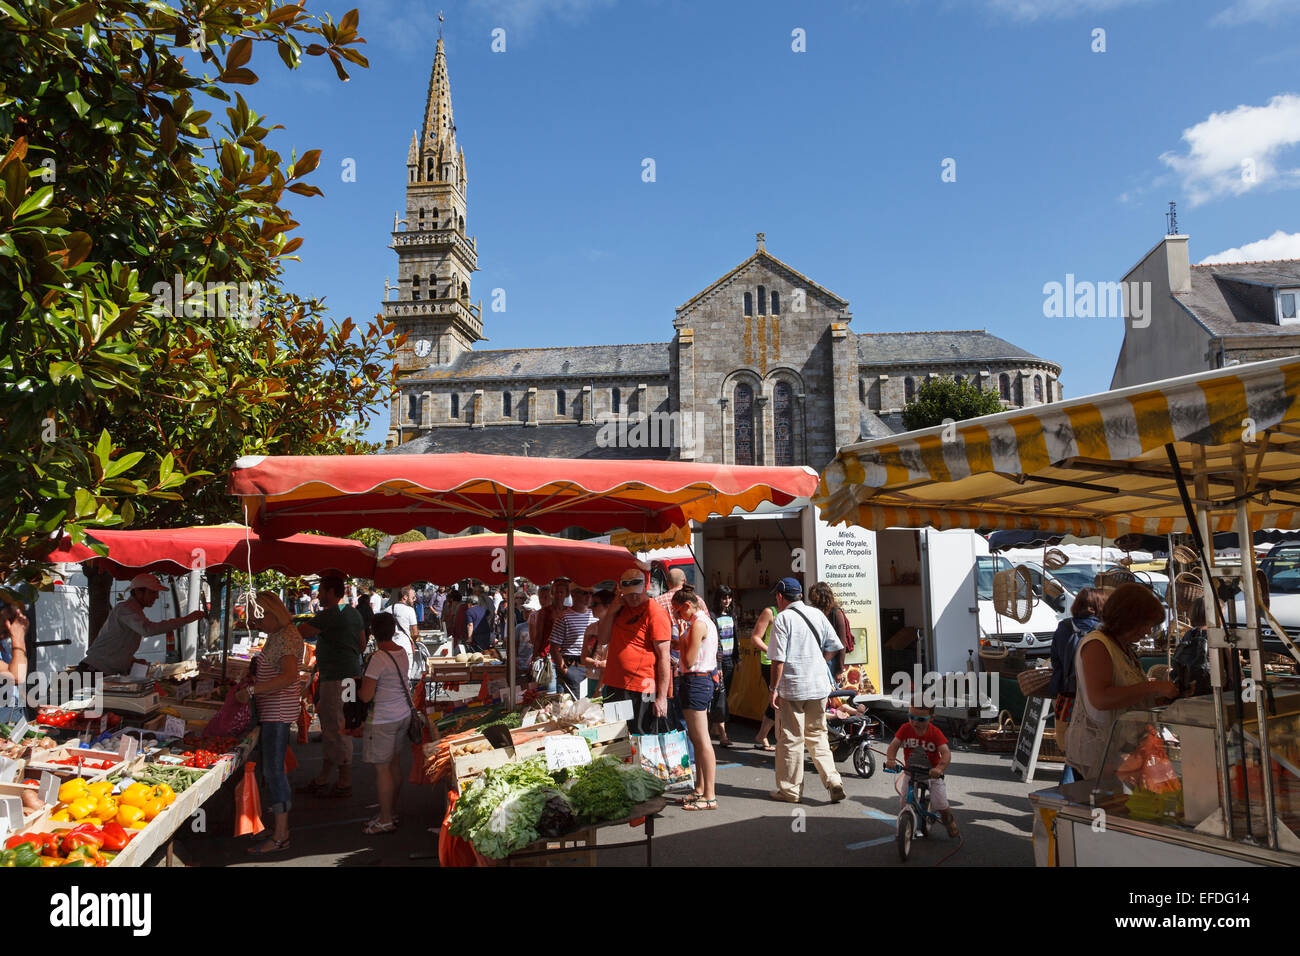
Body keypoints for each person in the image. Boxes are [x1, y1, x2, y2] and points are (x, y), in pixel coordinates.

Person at [1065, 582, 1179, 780]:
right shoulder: (1097, 644)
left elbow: (1128, 695)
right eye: (1146, 625)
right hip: (1099, 753)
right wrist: (1152, 687)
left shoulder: (1123, 646)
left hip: (1121, 750)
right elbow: (1101, 699)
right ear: (1128, 618)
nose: (1147, 632)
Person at [766, 577, 846, 804]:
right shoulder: (817, 614)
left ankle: (790, 791)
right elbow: (835, 645)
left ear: (781, 597)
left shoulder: (783, 619)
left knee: (791, 739)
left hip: (793, 688)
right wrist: (820, 661)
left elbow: (778, 661)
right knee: (818, 735)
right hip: (818, 686)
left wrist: (773, 688)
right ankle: (833, 780)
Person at [237, 592, 305, 854]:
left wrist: (254, 691)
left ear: (272, 613)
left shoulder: (286, 638)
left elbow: (289, 676)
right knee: (274, 770)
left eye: (258, 619)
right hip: (275, 712)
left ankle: (280, 836)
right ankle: (277, 829)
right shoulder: (281, 635)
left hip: (277, 713)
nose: (256, 625)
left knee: (274, 772)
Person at [296, 575, 363, 798]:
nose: (318, 595)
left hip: (337, 679)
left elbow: (302, 631)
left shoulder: (332, 614)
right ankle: (325, 776)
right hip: (350, 676)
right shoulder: (354, 613)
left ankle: (344, 781)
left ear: (332, 592)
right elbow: (362, 644)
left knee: (337, 726)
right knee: (337, 725)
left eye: (322, 591)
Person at [594, 566, 671, 735]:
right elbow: (603, 639)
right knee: (617, 735)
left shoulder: (655, 612)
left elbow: (664, 657)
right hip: (616, 684)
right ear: (622, 592)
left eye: (637, 592)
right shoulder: (620, 609)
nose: (634, 597)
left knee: (641, 735)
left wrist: (662, 698)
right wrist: (612, 610)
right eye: (629, 593)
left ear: (645, 588)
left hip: (643, 687)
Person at [81, 573, 205, 676]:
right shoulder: (125, 609)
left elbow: (118, 645)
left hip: (100, 671)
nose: (156, 597)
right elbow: (148, 630)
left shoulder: (132, 610)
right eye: (153, 592)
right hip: (93, 672)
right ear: (138, 592)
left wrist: (131, 660)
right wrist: (186, 619)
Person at [359, 612, 410, 834]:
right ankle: (390, 812)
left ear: (373, 631)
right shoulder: (402, 653)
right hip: (402, 714)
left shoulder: (378, 658)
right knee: (394, 764)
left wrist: (356, 688)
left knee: (382, 769)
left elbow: (366, 696)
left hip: (383, 719)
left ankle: (386, 818)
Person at [1048, 587, 1105, 784]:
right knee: (1089, 749)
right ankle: (1073, 791)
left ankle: (1068, 790)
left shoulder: (1063, 626)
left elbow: (1055, 659)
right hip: (1092, 697)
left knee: (1071, 747)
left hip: (1067, 696)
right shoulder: (1102, 630)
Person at [672, 586, 719, 810]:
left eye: (678, 612)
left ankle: (709, 795)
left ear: (688, 606)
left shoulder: (698, 624)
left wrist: (681, 637)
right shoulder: (703, 622)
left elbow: (689, 660)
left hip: (697, 680)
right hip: (699, 680)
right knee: (697, 739)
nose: (677, 617)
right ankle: (700, 788)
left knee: (702, 740)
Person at [885, 705, 959, 837]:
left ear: (931, 718)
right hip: (911, 772)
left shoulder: (934, 732)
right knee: (904, 803)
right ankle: (905, 825)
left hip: (932, 775)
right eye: (911, 717)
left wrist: (939, 769)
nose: (914, 722)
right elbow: (894, 745)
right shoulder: (905, 729)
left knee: (940, 804)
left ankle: (949, 821)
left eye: (920, 719)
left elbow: (946, 753)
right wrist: (891, 759)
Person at [551, 586, 596, 698]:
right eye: (585, 593)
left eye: (591, 593)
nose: (588, 596)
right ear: (574, 594)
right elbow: (554, 647)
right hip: (573, 666)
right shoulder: (564, 617)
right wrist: (564, 670)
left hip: (593, 665)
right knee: (575, 705)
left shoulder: (595, 615)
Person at [748, 603, 779, 751]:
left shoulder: (793, 611)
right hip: (770, 663)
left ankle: (762, 735)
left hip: (785, 662)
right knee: (777, 700)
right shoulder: (770, 612)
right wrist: (772, 652)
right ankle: (762, 735)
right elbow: (756, 638)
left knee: (779, 700)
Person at [709, 587, 737, 747]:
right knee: (721, 696)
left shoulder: (732, 615)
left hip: (729, 660)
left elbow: (735, 635)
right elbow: (716, 642)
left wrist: (737, 658)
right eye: (724, 598)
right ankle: (723, 735)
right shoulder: (713, 616)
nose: (727, 601)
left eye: (729, 597)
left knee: (725, 694)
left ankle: (715, 726)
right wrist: (718, 663)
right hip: (718, 660)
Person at [808, 582, 851, 679]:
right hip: (817, 658)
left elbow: (841, 643)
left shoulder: (836, 613)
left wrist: (840, 670)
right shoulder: (814, 612)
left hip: (831, 660)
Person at [0, 597, 30, 724]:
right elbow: (16, 677)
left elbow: (15, 681)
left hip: (15, 710)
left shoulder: (3, 644)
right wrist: (18, 637)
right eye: (9, 619)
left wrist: (34, 705)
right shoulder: (15, 640)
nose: (12, 625)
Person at [390, 586, 425, 691]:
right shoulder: (410, 610)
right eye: (413, 597)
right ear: (405, 597)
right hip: (405, 648)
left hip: (390, 647)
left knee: (392, 676)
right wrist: (413, 640)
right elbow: (415, 633)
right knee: (405, 676)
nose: (414, 600)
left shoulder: (388, 609)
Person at [580, 588, 617, 683]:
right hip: (591, 678)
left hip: (609, 680)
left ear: (609, 606)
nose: (590, 608)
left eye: (594, 604)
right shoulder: (590, 628)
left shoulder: (617, 629)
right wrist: (598, 663)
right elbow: (583, 658)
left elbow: (609, 663)